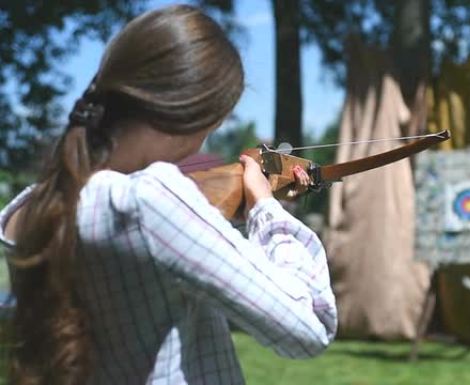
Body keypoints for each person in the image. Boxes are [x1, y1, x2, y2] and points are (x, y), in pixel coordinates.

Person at [0, 5, 336, 385]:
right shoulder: (150, 199)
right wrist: (265, 209)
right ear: (195, 115)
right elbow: (310, 326)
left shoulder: (27, 208)